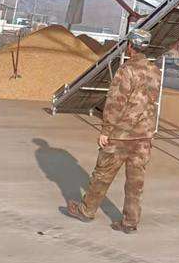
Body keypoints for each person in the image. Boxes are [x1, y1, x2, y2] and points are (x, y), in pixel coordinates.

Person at [67, 28, 160, 233]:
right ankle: (130, 222)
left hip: (121, 135)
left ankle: (86, 211)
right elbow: (150, 102)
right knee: (135, 182)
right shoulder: (155, 70)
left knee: (102, 175)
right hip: (144, 137)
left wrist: (106, 130)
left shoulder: (126, 70)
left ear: (130, 46)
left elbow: (115, 103)